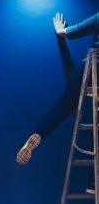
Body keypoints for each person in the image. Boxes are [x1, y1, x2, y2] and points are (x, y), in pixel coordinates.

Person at [16, 12, 99, 166]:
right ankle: (92, 184)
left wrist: (61, 29)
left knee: (62, 108)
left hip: (91, 65)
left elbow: (67, 33)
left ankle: (39, 133)